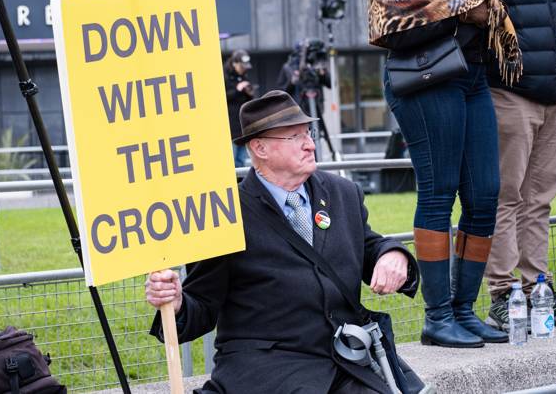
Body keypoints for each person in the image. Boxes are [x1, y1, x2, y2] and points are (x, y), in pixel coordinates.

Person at [146, 90, 419, 393]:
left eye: (308, 132)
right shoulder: (226, 213)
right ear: (260, 148)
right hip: (267, 368)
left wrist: (393, 254)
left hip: (342, 360)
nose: (310, 144)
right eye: (294, 136)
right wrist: (176, 301)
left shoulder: (342, 193)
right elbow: (202, 305)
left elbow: (367, 245)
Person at [367, 0, 523, 347]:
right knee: (439, 192)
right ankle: (437, 317)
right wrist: (463, 10)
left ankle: (463, 310)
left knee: (485, 195)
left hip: (471, 74)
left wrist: (483, 11)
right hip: (426, 75)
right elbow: (390, 28)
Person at [483, 0, 556, 330]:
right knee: (507, 195)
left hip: (555, 97)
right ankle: (502, 293)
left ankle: (538, 289)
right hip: (511, 92)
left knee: (540, 199)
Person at [224, 49, 255, 168]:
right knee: (232, 159)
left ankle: (239, 184)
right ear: (235, 64)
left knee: (241, 159)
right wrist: (237, 89)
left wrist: (248, 92)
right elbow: (222, 97)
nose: (244, 69)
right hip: (230, 124)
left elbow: (249, 99)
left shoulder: (243, 76)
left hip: (242, 124)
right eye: (242, 67)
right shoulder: (224, 76)